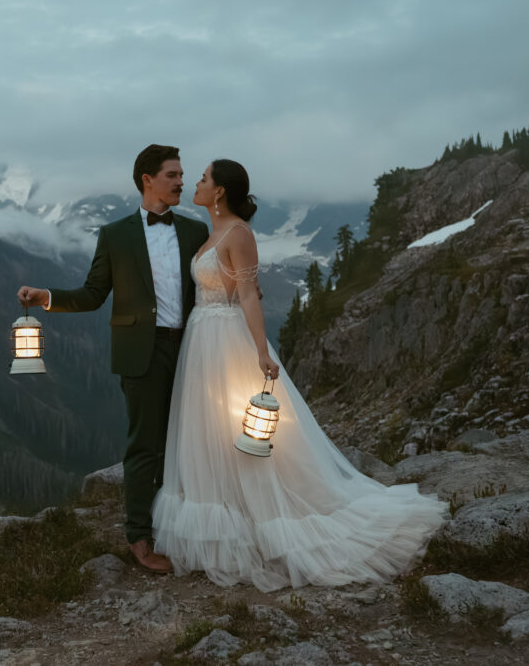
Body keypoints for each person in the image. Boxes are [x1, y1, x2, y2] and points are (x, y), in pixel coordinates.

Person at [151, 159, 447, 591]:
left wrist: (259, 351)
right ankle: (222, 515)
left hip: (225, 339)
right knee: (208, 429)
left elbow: (249, 295)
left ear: (219, 192)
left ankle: (263, 519)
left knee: (240, 430)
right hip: (200, 341)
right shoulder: (211, 232)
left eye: (203, 178)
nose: (195, 182)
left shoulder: (238, 234)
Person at [18, 144, 208, 574]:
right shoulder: (115, 234)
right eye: (173, 175)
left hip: (194, 348)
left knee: (189, 440)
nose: (181, 181)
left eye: (182, 175)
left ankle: (182, 527)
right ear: (147, 179)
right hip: (141, 352)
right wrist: (46, 297)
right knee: (145, 445)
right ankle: (139, 537)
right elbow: (92, 294)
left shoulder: (196, 232)